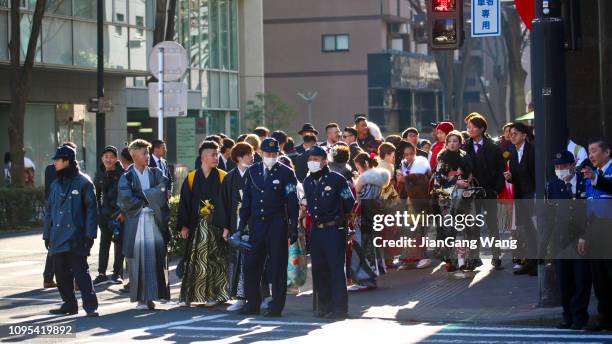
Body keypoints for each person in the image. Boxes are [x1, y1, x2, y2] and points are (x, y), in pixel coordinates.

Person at [238, 138, 299, 317]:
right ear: (261, 154)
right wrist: (242, 226)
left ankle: (276, 306)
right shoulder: (253, 171)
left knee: (278, 266)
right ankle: (253, 303)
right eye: (267, 154)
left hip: (277, 224)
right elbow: (247, 200)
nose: (270, 157)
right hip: (257, 224)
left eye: (274, 154)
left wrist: (293, 225)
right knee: (251, 266)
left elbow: (292, 201)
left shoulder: (286, 172)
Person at [43, 145, 99, 317]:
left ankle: (90, 306)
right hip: (58, 236)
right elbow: (49, 211)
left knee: (81, 272)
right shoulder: (55, 184)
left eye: (57, 160)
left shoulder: (84, 182)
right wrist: (47, 234)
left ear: (67, 161)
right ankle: (69, 304)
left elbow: (91, 210)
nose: (54, 163)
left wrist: (90, 234)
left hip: (77, 235)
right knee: (60, 273)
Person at [303, 146, 355, 319]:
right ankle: (324, 306)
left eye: (316, 159)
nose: (312, 162)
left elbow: (349, 203)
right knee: (319, 270)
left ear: (324, 161)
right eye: (310, 159)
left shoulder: (336, 179)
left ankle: (340, 308)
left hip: (334, 229)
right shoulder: (308, 181)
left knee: (335, 270)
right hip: (316, 230)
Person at [118, 139, 171, 310]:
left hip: (154, 219)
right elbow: (125, 199)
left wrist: (143, 196)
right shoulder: (126, 176)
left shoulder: (156, 173)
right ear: (134, 156)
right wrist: (148, 199)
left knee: (155, 257)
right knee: (137, 260)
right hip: (137, 220)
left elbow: (164, 188)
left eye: (148, 152)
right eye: (144, 153)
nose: (147, 156)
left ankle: (152, 296)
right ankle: (141, 298)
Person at [177, 140, 229, 306]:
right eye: (213, 155)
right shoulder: (191, 177)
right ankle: (195, 295)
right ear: (203, 157)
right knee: (196, 261)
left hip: (217, 225)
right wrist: (183, 225)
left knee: (216, 261)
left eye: (217, 154)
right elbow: (184, 202)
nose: (216, 158)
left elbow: (228, 202)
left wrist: (227, 226)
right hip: (197, 226)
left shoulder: (223, 176)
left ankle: (216, 295)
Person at [546, 151, 591, 331]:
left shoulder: (584, 181)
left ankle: (580, 316)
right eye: (557, 167)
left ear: (573, 165)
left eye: (563, 166)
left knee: (582, 279)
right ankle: (567, 316)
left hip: (581, 238)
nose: (560, 170)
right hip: (561, 238)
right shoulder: (553, 185)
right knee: (564, 280)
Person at [214, 142, 254, 311]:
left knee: (256, 260)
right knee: (237, 261)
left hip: (254, 223)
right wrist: (225, 227)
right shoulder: (230, 177)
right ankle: (240, 297)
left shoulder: (256, 174)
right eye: (248, 154)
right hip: (235, 222)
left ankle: (263, 296)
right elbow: (223, 203)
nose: (252, 157)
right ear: (239, 157)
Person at [464, 113, 505, 270]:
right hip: (471, 191)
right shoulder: (465, 147)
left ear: (481, 128)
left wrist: (496, 188)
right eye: (468, 127)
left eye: (473, 126)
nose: (470, 129)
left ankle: (496, 256)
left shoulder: (493, 147)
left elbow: (501, 169)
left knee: (492, 224)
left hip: (489, 190)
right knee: (472, 225)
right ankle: (474, 258)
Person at [432, 131, 474, 274]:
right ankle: (450, 260)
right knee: (449, 229)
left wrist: (467, 181)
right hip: (447, 198)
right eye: (449, 141)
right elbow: (439, 179)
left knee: (463, 228)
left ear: (460, 142)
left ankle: (464, 260)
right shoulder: (442, 157)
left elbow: (470, 173)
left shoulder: (465, 156)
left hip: (463, 196)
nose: (452, 143)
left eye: (455, 141)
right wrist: (456, 181)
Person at [581, 138, 612, 331]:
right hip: (595, 230)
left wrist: (595, 178)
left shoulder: (602, 174)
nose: (591, 155)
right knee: (599, 278)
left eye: (594, 151)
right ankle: (605, 316)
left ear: (607, 152)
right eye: (589, 151)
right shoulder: (592, 175)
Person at [349, 153, 390, 291]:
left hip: (364, 214)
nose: (358, 170)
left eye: (358, 167)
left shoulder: (364, 179)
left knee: (361, 246)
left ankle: (365, 279)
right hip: (375, 212)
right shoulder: (380, 178)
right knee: (372, 245)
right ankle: (371, 276)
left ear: (364, 165)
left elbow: (358, 198)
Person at [43, 141, 77, 289]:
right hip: (63, 212)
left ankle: (48, 277)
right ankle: (74, 281)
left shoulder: (49, 169)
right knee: (69, 250)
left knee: (54, 246)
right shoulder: (68, 173)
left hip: (54, 211)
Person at [504, 122, 536, 275]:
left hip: (533, 195)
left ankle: (538, 264)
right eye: (510, 133)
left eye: (515, 133)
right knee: (526, 230)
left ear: (524, 135)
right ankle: (530, 262)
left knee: (535, 230)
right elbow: (517, 176)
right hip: (520, 195)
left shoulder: (533, 150)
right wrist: (510, 178)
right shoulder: (512, 151)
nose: (512, 135)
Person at [92, 146, 126, 286]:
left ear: (116, 158)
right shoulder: (100, 173)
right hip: (105, 214)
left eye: (111, 156)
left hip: (119, 214)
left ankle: (117, 274)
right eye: (106, 156)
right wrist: (99, 212)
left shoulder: (122, 173)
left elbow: (125, 195)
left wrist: (122, 212)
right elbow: (97, 195)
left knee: (119, 243)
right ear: (102, 158)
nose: (108, 159)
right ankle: (101, 274)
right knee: (104, 243)